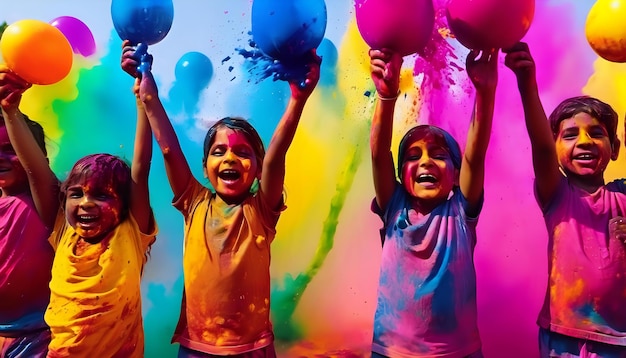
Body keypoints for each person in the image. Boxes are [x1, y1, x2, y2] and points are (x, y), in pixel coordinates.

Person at [126, 42, 320, 356]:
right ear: (205, 168)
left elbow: (275, 157)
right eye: (219, 151)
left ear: (258, 169)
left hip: (252, 348)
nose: (230, 158)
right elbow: (167, 149)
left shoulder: (261, 210)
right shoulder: (193, 202)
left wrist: (298, 100)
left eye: (243, 153)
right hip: (196, 346)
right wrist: (147, 89)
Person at [368, 46, 498, 357]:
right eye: (414, 157)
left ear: (456, 175)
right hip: (392, 351)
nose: (426, 162)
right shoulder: (394, 204)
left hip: (458, 352)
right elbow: (378, 153)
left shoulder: (460, 212)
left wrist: (485, 93)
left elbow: (474, 155)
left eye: (439, 156)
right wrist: (386, 97)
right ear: (401, 175)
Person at [505, 42, 626, 357]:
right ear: (557, 148)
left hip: (618, 341)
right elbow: (541, 147)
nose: (584, 141)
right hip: (563, 338)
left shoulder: (623, 195)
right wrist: (526, 82)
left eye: (596, 133)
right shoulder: (557, 194)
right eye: (570, 135)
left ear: (615, 148)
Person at [41, 42, 157, 357]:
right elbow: (35, 170)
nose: (86, 203)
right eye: (76, 193)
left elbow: (141, 168)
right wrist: (10, 111)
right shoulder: (63, 232)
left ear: (124, 205)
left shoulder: (131, 233)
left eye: (102, 194)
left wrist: (142, 97)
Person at [0, 66, 57, 357]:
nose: (1, 157)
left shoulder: (45, 201)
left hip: (37, 338)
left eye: (11, 148)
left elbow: (37, 172)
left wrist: (11, 112)